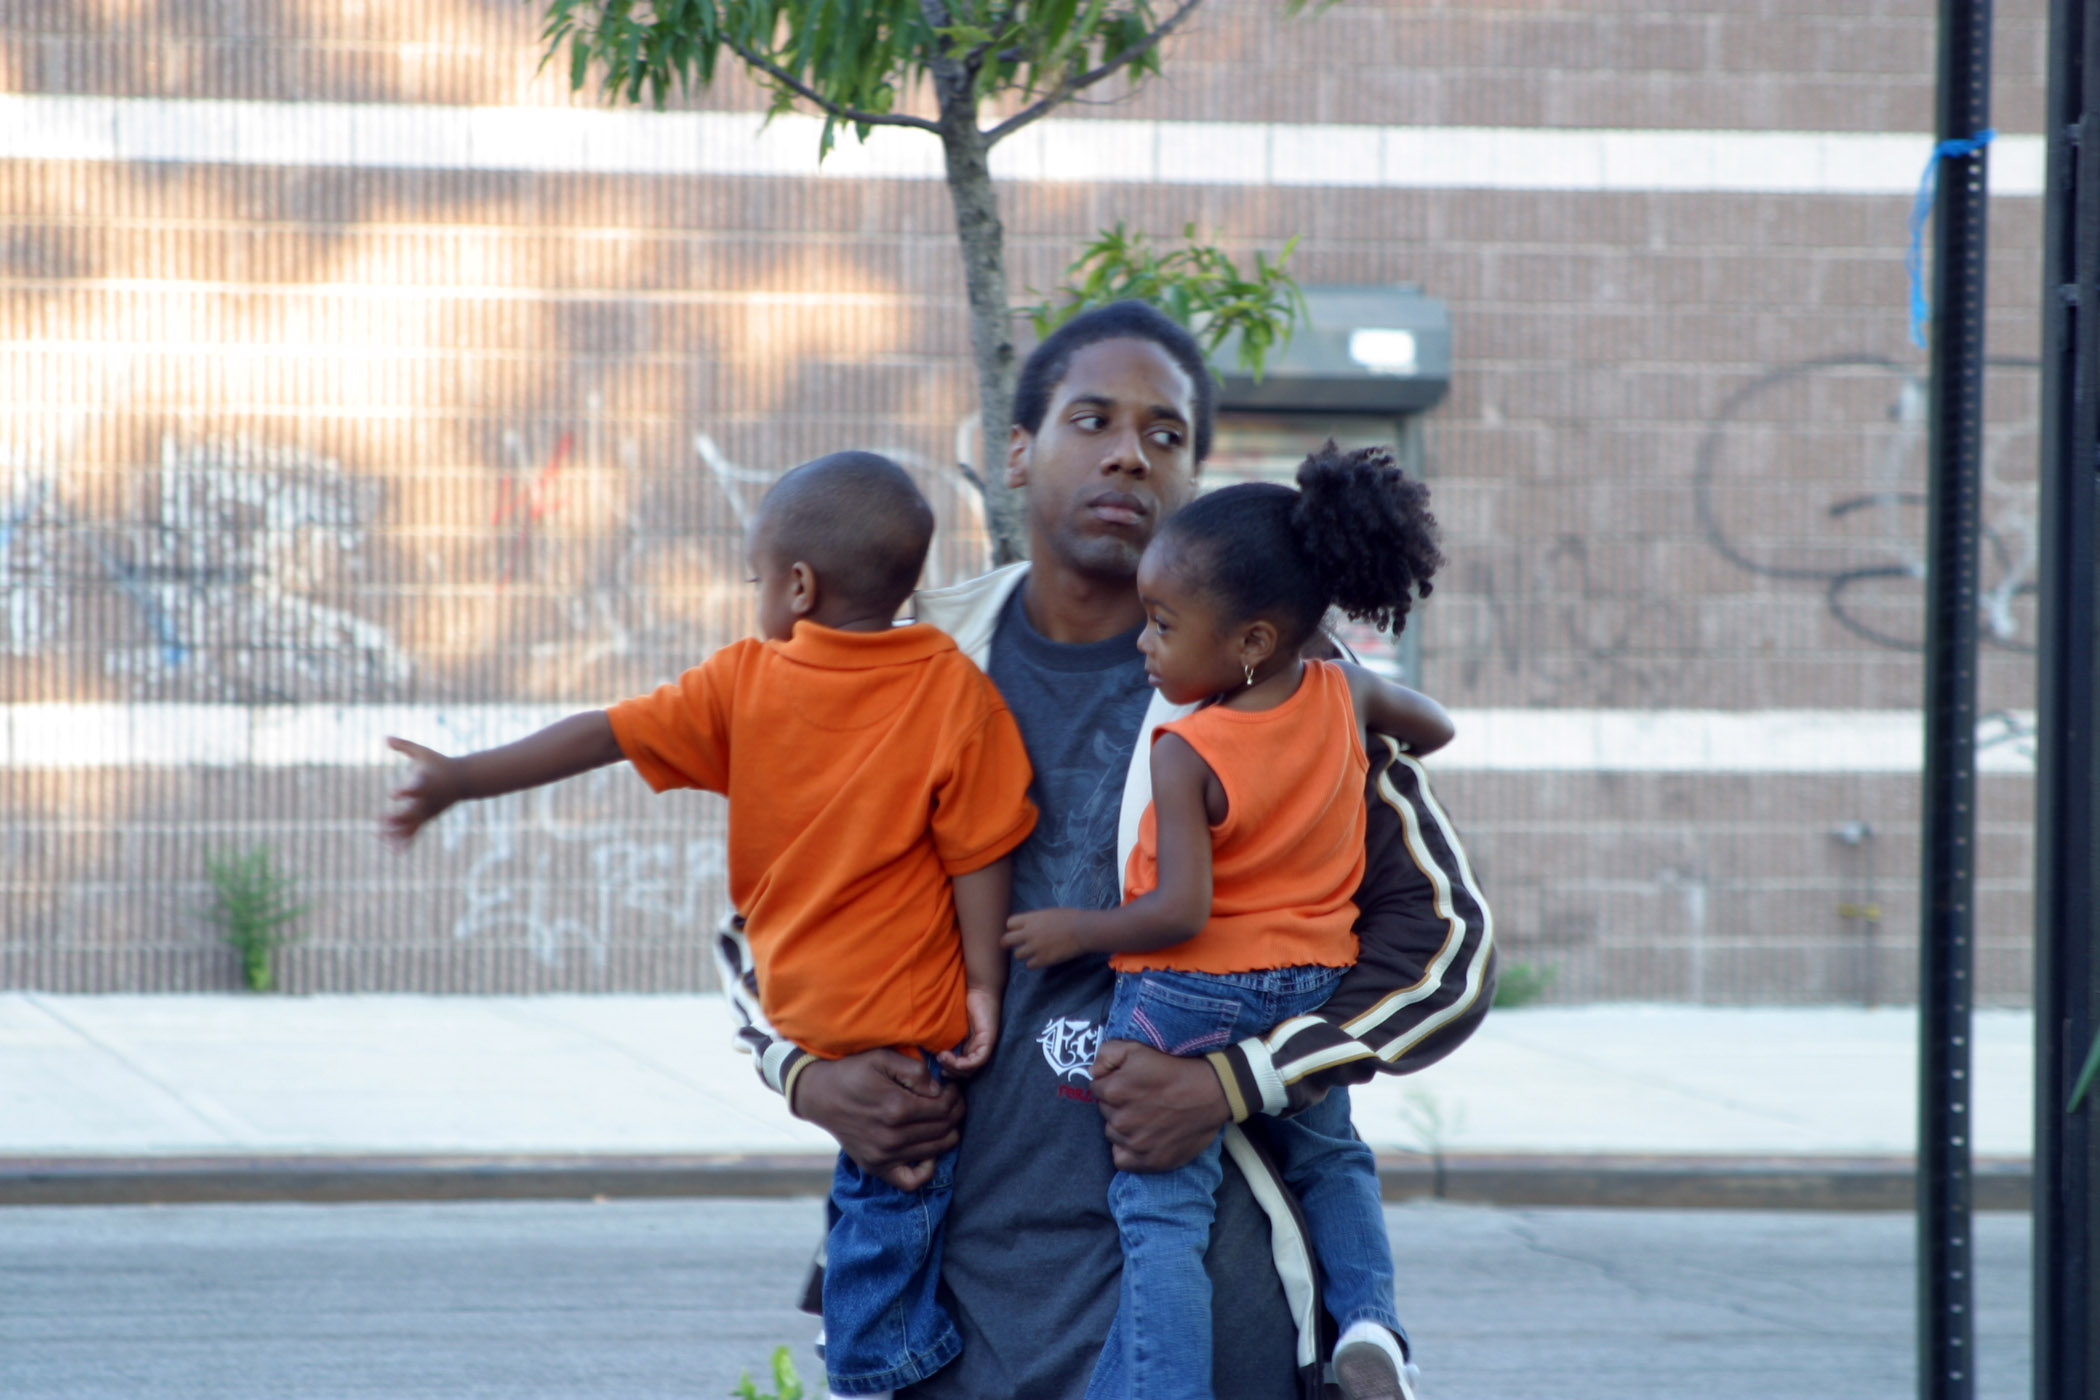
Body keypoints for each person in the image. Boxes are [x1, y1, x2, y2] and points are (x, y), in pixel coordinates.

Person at [721, 301, 1498, 1399]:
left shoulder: (1285, 690)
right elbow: (760, 915)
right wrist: (806, 1072)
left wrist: (1238, 1079)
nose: (1130, 452)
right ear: (1019, 451)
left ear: (1192, 477)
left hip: (1206, 1296)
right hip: (937, 1292)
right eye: (1093, 420)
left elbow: (1449, 953)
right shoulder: (908, 662)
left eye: (1165, 433)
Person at [380, 451, 1037, 1397]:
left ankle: (882, 1376)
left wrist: (461, 778)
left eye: (754, 579)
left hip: (888, 1065)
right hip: (910, 1034)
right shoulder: (955, 693)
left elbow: (603, 732)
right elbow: (980, 855)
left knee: (873, 1299)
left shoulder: (746, 682)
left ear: (798, 586)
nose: (755, 597)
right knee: (880, 1247)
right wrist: (984, 987)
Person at [1003, 442, 1450, 1400]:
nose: (1144, 644)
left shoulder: (1187, 748)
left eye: (1164, 626)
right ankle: (1372, 1325)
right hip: (1310, 988)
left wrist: (1076, 930)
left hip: (1186, 997)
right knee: (1333, 1159)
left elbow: (1179, 910)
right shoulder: (1345, 691)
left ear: (1250, 641)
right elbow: (1438, 727)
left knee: (1163, 1212)